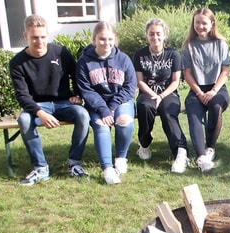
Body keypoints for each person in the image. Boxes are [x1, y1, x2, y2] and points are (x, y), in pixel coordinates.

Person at [9, 14, 90, 186]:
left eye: (43, 37)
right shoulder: (17, 62)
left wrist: (78, 95)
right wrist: (39, 113)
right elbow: (22, 95)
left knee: (83, 115)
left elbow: (77, 77)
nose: (39, 41)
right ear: (26, 36)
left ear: (48, 35)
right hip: (37, 105)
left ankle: (74, 163)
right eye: (34, 38)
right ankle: (40, 168)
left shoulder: (61, 52)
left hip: (64, 102)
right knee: (23, 119)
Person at [76, 21, 137, 184]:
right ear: (94, 39)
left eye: (110, 39)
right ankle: (107, 169)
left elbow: (130, 86)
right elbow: (86, 90)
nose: (106, 43)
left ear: (115, 39)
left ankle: (121, 158)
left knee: (124, 120)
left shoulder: (123, 59)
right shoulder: (84, 61)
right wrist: (103, 110)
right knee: (101, 125)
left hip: (120, 101)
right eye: (102, 39)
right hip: (96, 104)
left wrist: (112, 107)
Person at [133, 18, 189, 173]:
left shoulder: (173, 55)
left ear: (165, 35)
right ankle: (144, 144)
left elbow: (176, 81)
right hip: (147, 92)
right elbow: (140, 81)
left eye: (158, 34)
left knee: (168, 111)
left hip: (168, 93)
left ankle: (180, 152)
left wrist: (161, 96)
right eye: (151, 34)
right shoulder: (139, 55)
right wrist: (153, 95)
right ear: (147, 35)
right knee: (145, 107)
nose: (155, 37)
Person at [181, 8, 230, 172]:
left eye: (204, 23)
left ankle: (210, 147)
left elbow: (225, 71)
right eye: (197, 22)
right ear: (193, 23)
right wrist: (199, 93)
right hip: (197, 89)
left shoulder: (221, 44)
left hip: (217, 88)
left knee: (215, 106)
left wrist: (213, 91)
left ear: (211, 24)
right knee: (193, 112)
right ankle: (201, 158)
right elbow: (187, 74)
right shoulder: (188, 46)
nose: (200, 26)